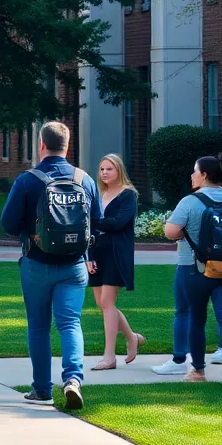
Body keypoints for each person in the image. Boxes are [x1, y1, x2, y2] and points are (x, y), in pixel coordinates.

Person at [1, 121, 100, 410]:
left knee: (38, 326)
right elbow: (97, 220)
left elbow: (8, 223)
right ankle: (73, 379)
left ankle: (42, 389)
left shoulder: (28, 180)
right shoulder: (85, 180)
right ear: (67, 146)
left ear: (41, 144)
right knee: (70, 323)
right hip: (75, 264)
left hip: (37, 262)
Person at [161, 154, 222, 385]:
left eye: (195, 171)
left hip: (193, 268)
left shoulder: (190, 202)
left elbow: (170, 232)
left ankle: (198, 371)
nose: (192, 175)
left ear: (204, 175)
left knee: (196, 318)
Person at [89, 154, 144, 370]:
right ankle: (132, 338)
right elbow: (90, 229)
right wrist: (89, 256)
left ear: (119, 170)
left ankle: (109, 356)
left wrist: (95, 221)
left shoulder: (128, 194)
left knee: (108, 302)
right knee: (102, 304)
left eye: (109, 169)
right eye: (102, 169)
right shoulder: (97, 193)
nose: (104, 173)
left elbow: (119, 223)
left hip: (116, 253)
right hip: (97, 252)